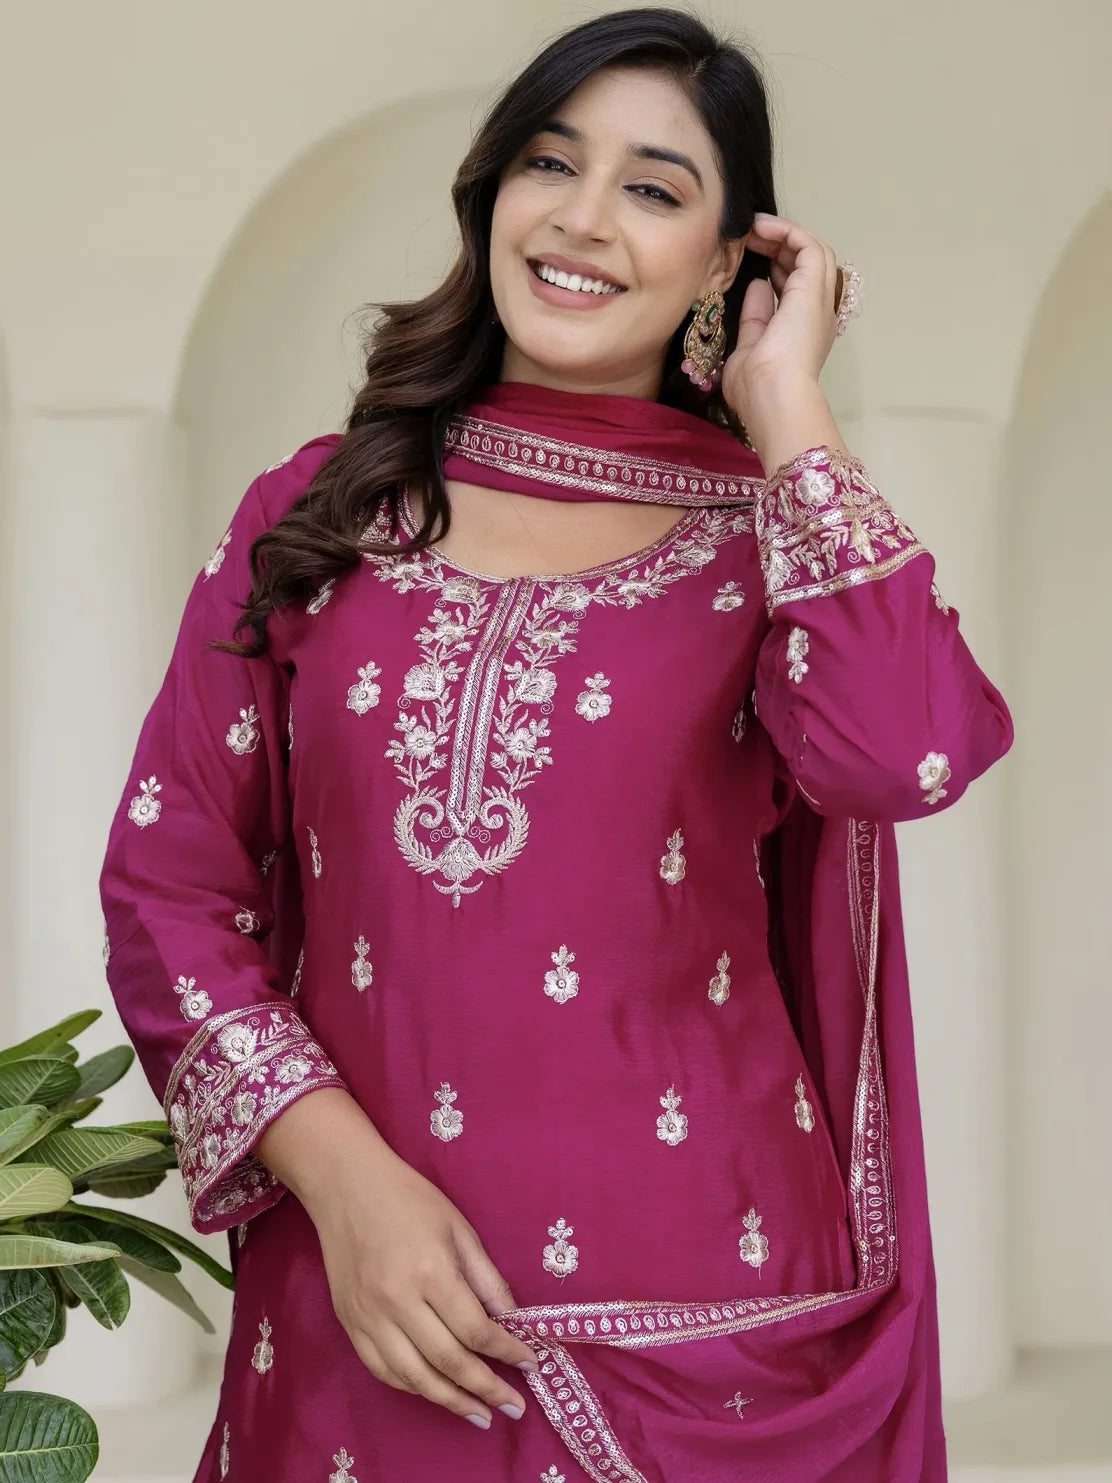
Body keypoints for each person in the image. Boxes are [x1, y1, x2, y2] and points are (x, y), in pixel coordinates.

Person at [99, 9, 1012, 1481]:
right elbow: (167, 892)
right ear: (490, 194)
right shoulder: (323, 515)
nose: (583, 219)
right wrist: (343, 1188)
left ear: (730, 266)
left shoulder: (774, 546)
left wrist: (789, 414)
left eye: (654, 188)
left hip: (708, 1327)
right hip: (377, 1315)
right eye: (549, 162)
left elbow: (904, 755)